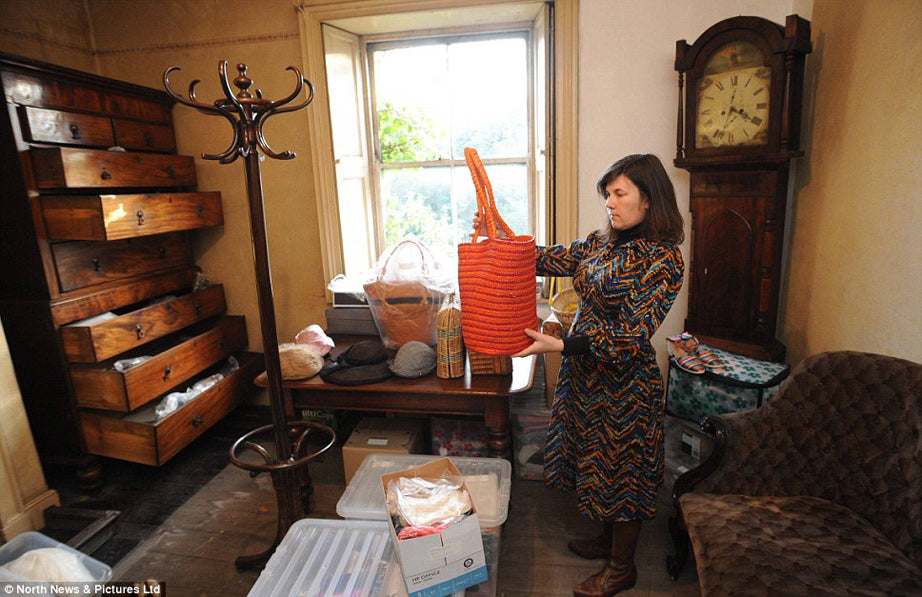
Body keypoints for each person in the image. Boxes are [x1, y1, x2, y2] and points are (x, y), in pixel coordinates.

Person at [473, 153, 685, 597]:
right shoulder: (601, 244)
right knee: (597, 466)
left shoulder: (664, 260)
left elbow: (630, 337)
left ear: (649, 199)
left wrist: (563, 346)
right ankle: (608, 542)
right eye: (607, 194)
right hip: (585, 379)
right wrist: (499, 236)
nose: (609, 202)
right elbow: (544, 258)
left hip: (625, 388)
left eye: (619, 193)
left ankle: (621, 569)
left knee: (623, 476)